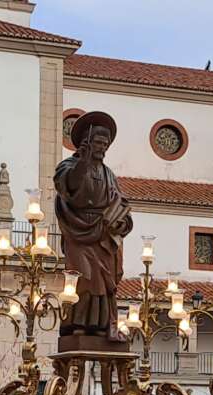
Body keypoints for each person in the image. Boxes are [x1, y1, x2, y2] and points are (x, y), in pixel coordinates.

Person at [54, 112, 133, 338]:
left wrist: (122, 221)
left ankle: (100, 326)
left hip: (104, 234)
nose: (103, 148)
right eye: (98, 142)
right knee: (84, 279)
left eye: (106, 144)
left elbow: (120, 202)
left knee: (105, 283)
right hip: (77, 232)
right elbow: (68, 186)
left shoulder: (108, 174)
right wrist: (83, 162)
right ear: (86, 142)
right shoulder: (68, 166)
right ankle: (77, 324)